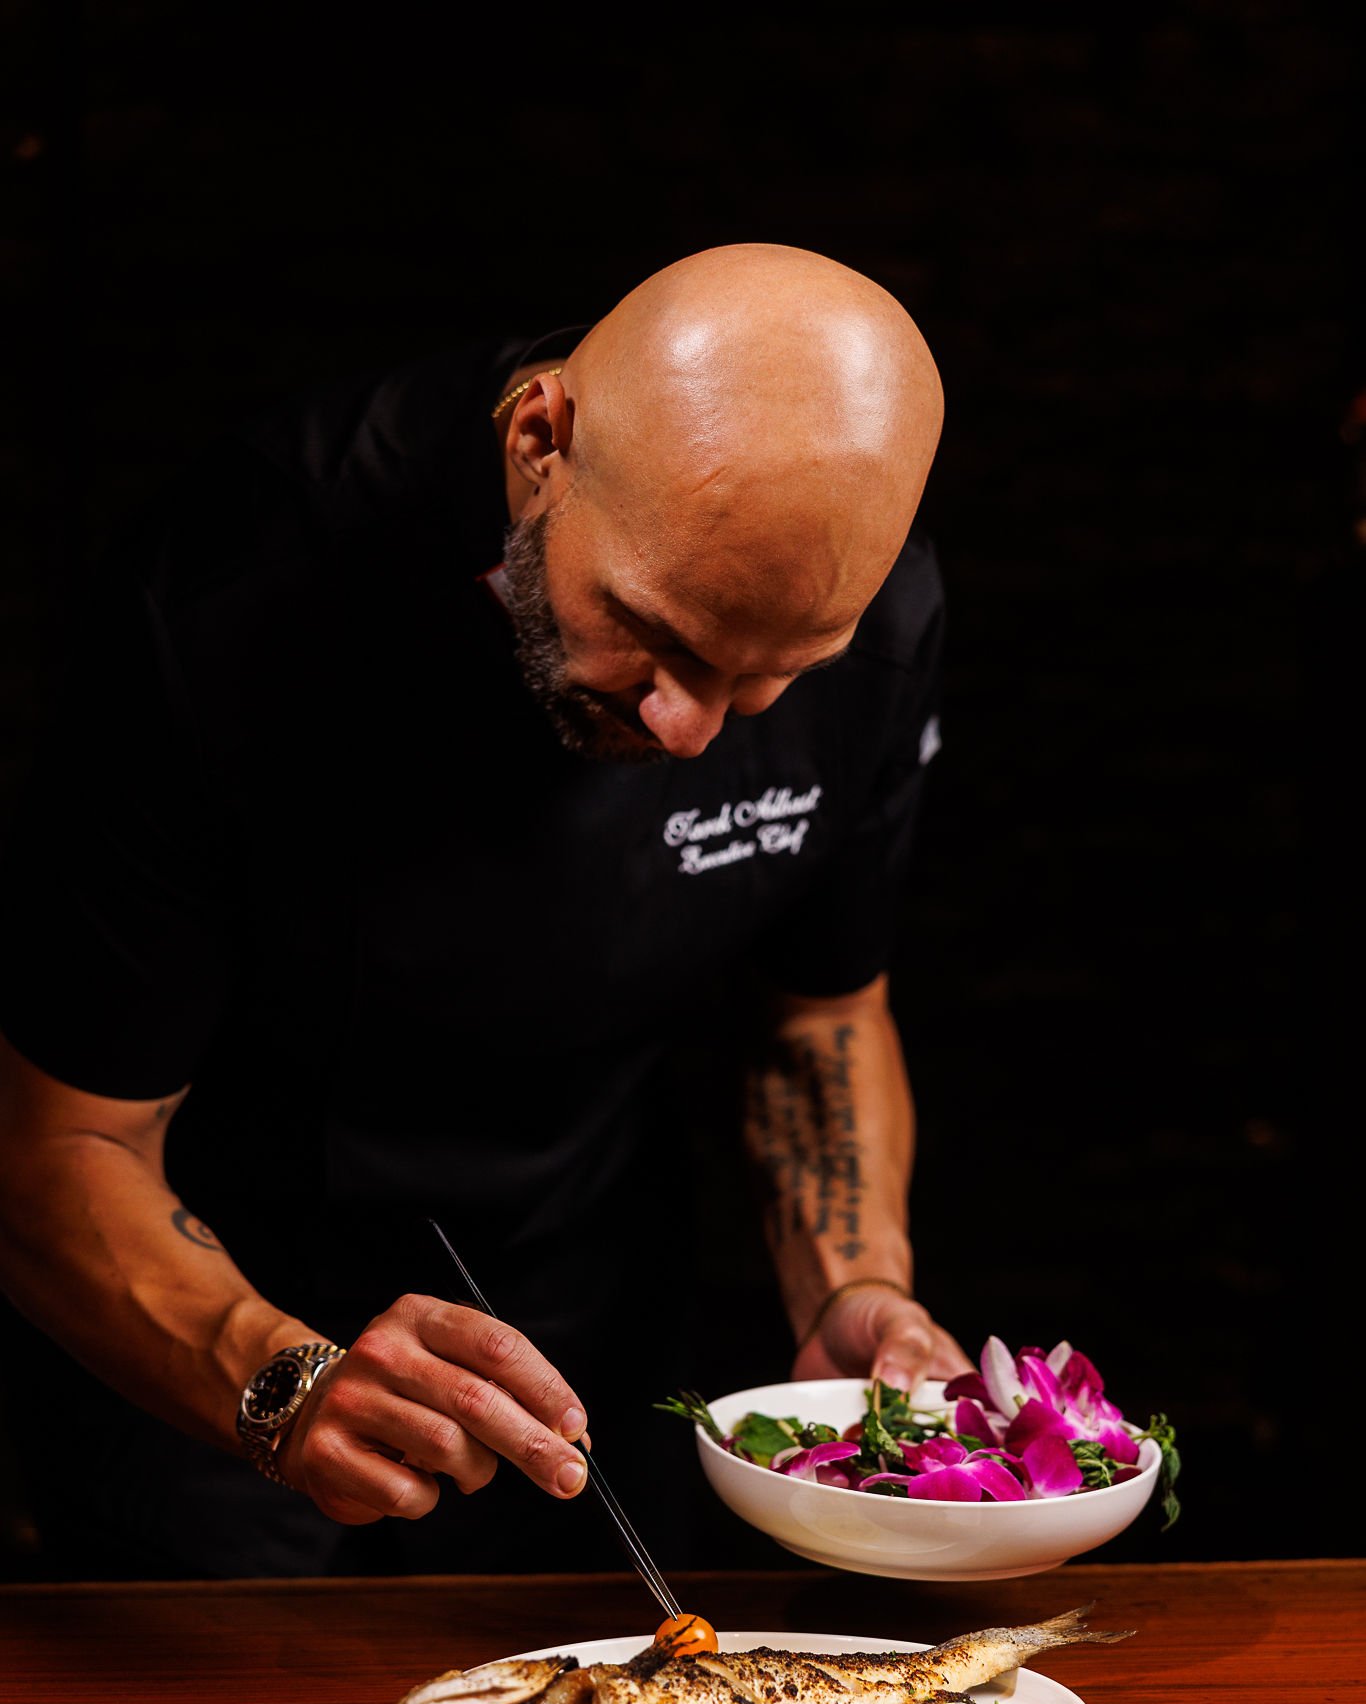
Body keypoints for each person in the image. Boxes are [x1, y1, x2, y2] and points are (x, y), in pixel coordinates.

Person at [0, 244, 969, 1579]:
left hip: (589, 1317)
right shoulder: (231, 587)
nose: (691, 731)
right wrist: (278, 1382)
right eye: (658, 635)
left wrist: (855, 1282)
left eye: (767, 680)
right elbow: (56, 1143)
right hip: (218, 1320)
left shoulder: (870, 609)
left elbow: (822, 1015)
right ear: (539, 441)